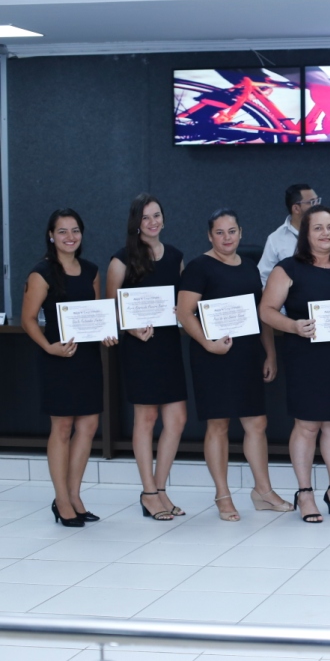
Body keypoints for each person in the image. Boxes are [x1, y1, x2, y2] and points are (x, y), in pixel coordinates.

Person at [259, 205, 330, 522]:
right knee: (308, 425)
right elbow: (266, 310)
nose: (326, 233)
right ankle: (305, 493)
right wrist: (294, 326)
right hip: (306, 358)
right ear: (306, 234)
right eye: (318, 228)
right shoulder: (288, 269)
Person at [177, 209, 292, 521]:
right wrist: (207, 343)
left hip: (247, 355)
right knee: (219, 425)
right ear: (209, 235)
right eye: (219, 232)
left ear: (241, 232)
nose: (226, 238)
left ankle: (263, 492)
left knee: (257, 423)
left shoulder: (250, 267)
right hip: (212, 356)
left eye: (231, 231)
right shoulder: (199, 267)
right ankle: (223, 495)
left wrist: (269, 353)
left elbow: (261, 313)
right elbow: (184, 312)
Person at [21, 209, 116, 527]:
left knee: (88, 426)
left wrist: (106, 331)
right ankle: (61, 500)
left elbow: (97, 311)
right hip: (57, 357)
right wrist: (49, 347)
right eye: (62, 232)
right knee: (61, 429)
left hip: (87, 357)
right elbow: (28, 319)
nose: (70, 237)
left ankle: (75, 495)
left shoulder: (91, 270)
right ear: (51, 235)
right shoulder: (42, 272)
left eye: (75, 231)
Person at [106, 194, 188, 521]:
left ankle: (160, 488)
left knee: (178, 419)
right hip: (140, 348)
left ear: (164, 218)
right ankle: (148, 492)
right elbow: (111, 308)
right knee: (147, 419)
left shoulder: (177, 257)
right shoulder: (121, 260)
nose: (152, 222)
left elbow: (183, 302)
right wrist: (130, 328)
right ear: (136, 223)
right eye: (145, 217)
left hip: (168, 345)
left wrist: (181, 312)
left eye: (157, 215)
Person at [258, 184, 330, 287]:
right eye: (312, 202)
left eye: (318, 200)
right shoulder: (275, 239)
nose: (317, 205)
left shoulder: (329, 233)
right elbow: (264, 277)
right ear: (296, 208)